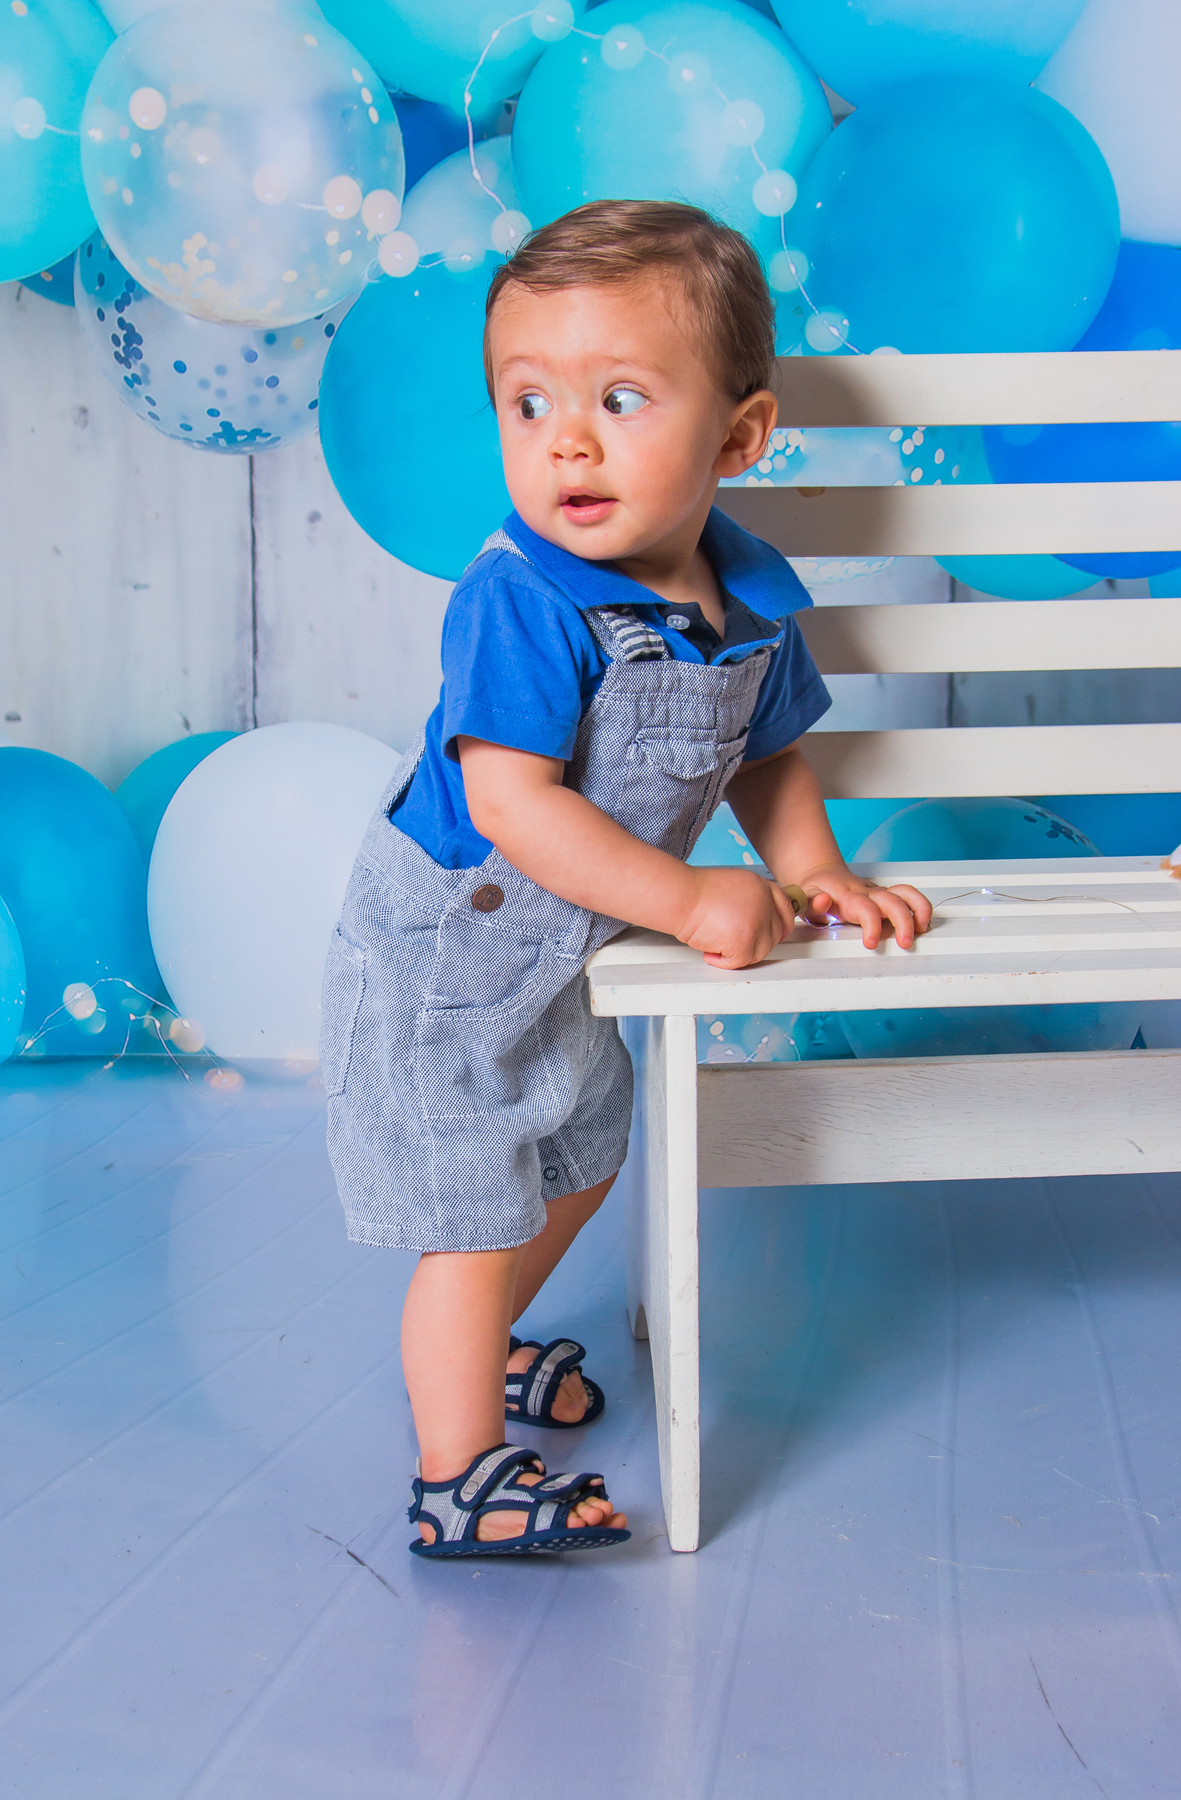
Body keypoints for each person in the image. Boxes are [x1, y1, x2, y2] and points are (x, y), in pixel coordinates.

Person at [320, 200, 932, 1558]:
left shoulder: (748, 596)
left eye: (620, 399)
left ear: (740, 437)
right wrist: (693, 898)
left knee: (580, 1161)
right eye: (528, 402)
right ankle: (457, 1475)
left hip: (571, 954)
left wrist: (812, 867)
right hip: (448, 955)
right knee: (476, 1210)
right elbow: (513, 804)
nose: (567, 442)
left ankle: (491, 1346)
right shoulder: (522, 597)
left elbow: (767, 747)